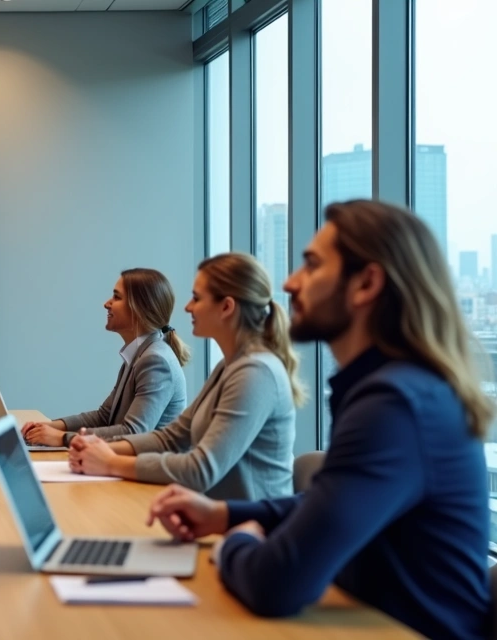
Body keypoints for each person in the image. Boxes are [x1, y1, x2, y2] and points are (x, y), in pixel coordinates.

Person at [147, 201, 491, 639]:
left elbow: (276, 583)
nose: (290, 283)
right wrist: (225, 515)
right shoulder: (396, 390)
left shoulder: (394, 405)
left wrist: (239, 541)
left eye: (311, 265)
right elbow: (329, 502)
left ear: (366, 283)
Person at [68, 253, 301, 500]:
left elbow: (201, 469)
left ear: (226, 307)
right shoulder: (229, 365)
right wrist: (103, 449)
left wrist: (110, 463)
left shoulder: (256, 373)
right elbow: (172, 437)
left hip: (250, 529)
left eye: (197, 298)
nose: (188, 307)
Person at [22, 268, 190, 447]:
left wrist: (63, 438)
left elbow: (133, 433)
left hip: (146, 472)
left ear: (139, 309)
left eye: (116, 297)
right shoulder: (140, 354)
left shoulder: (155, 361)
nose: (106, 304)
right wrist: (49, 427)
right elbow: (104, 416)